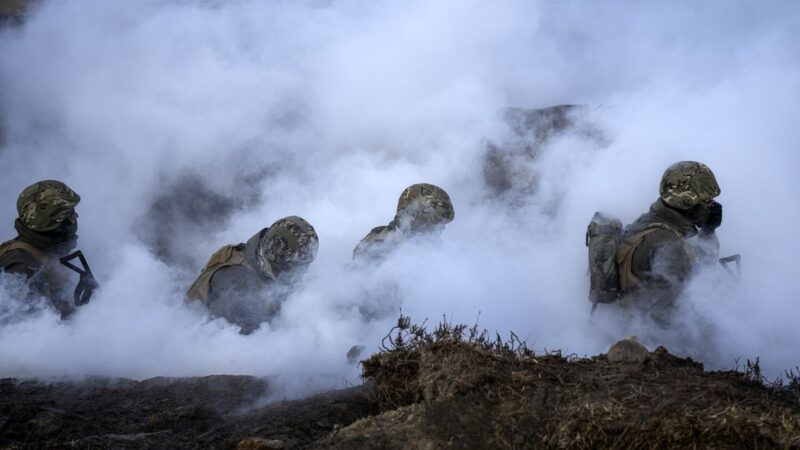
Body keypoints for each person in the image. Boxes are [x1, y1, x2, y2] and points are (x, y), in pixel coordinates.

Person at [615, 161, 723, 320]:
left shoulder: (647, 222)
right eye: (706, 201)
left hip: (625, 320)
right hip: (645, 339)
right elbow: (667, 321)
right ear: (687, 201)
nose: (712, 206)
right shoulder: (670, 247)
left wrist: (708, 231)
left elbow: (700, 259)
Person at [186, 216, 318, 334]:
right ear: (278, 259)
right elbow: (255, 343)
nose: (303, 272)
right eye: (298, 266)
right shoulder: (237, 283)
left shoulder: (262, 259)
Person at [0, 180, 82, 317]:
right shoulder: (22, 267)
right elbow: (24, 330)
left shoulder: (44, 250)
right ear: (51, 224)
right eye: (69, 214)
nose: (76, 217)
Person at [353, 183, 455, 262]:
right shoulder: (377, 246)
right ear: (413, 216)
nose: (439, 228)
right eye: (432, 221)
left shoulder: (436, 248)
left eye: (440, 223)